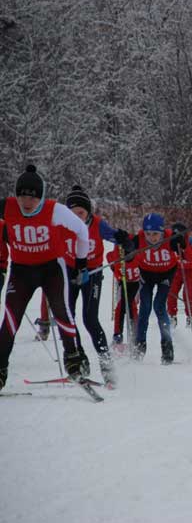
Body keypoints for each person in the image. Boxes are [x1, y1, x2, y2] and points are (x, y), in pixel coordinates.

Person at [0, 165, 89, 391]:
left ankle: (73, 360)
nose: (26, 202)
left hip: (51, 269)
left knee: (62, 311)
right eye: (22, 195)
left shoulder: (54, 210)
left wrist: (80, 264)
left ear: (40, 196)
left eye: (32, 197)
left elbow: (82, 230)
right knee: (11, 319)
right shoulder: (7, 206)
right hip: (21, 271)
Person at [62, 185, 130, 385]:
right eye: (72, 214)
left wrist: (125, 240)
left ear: (88, 212)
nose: (77, 218)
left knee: (90, 319)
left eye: (81, 213)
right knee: (68, 317)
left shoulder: (97, 224)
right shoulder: (62, 226)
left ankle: (106, 365)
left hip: (91, 275)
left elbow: (113, 234)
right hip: (69, 274)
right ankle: (79, 358)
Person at [130, 214, 184, 364]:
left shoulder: (169, 237)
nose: (152, 238)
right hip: (146, 275)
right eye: (148, 234)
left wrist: (181, 240)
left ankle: (167, 350)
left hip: (166, 274)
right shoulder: (139, 238)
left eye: (155, 234)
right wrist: (127, 252)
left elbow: (183, 246)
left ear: (162, 232)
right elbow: (128, 249)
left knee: (159, 306)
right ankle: (139, 348)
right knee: (145, 308)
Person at [168, 224, 192, 328]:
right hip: (177, 271)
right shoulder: (172, 242)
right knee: (171, 292)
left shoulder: (189, 240)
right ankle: (172, 316)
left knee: (187, 293)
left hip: (191, 271)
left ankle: (190, 317)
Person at [106, 248, 140, 354]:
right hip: (123, 283)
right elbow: (109, 256)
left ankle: (135, 335)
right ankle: (117, 336)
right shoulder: (117, 251)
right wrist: (114, 267)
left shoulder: (138, 252)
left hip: (136, 283)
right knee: (120, 308)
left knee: (132, 307)